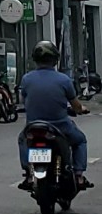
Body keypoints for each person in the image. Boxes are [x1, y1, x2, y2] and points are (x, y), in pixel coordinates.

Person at [18, 40, 91, 187]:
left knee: (23, 139)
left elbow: (23, 100)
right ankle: (79, 175)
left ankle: (29, 174)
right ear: (55, 59)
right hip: (60, 127)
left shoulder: (26, 79)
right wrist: (81, 109)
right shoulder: (64, 80)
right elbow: (76, 106)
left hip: (34, 126)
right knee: (80, 140)